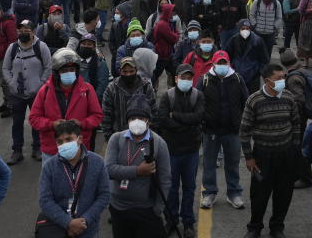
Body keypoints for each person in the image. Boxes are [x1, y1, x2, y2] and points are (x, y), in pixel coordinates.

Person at [240, 63, 301, 238]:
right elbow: (244, 131)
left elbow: (296, 123)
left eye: (284, 77)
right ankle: (254, 227)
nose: (283, 81)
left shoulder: (289, 97)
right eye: (278, 78)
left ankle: (277, 227)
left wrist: (295, 148)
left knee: (284, 193)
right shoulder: (254, 100)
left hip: (286, 153)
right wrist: (249, 158)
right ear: (267, 81)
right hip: (263, 155)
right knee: (259, 194)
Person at [104, 93, 171, 237]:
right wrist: (138, 171)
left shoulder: (159, 143)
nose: (136, 121)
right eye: (133, 118)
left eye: (141, 118)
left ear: (148, 121)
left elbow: (165, 179)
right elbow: (108, 170)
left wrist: (158, 209)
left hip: (146, 210)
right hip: (119, 208)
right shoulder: (116, 139)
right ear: (127, 120)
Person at [38, 119, 111, 238]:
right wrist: (68, 222)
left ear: (80, 139)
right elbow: (45, 200)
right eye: (59, 142)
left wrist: (85, 220)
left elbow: (104, 195)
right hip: (59, 229)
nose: (64, 144)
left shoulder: (97, 162)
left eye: (68, 139)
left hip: (89, 230)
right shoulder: (49, 167)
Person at [156, 64, 205, 238]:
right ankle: (171, 220)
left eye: (189, 78)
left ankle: (188, 222)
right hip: (172, 151)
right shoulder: (167, 96)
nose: (186, 80)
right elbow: (162, 119)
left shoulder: (197, 95)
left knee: (190, 188)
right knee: (171, 188)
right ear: (176, 78)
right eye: (183, 77)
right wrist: (187, 125)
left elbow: (199, 117)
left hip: (191, 150)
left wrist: (175, 115)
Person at [200, 49, 249, 211]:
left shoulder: (237, 78)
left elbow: (245, 101)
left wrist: (241, 122)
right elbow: (198, 101)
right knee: (209, 163)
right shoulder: (205, 79)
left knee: (233, 163)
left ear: (229, 63)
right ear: (213, 64)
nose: (222, 66)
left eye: (224, 63)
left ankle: (234, 193)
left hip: (232, 130)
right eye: (219, 63)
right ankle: (209, 192)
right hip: (211, 130)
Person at [2, 19, 52, 163]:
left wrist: (41, 84)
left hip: (37, 93)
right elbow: (5, 68)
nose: (23, 32)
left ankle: (37, 148)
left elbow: (49, 67)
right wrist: (11, 83)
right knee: (17, 122)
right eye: (21, 30)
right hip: (16, 93)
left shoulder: (41, 47)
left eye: (27, 30)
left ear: (33, 31)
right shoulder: (12, 48)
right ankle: (17, 151)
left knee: (36, 122)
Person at [100, 55, 156, 138]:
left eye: (131, 71)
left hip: (142, 135)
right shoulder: (112, 88)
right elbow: (106, 115)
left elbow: (153, 112)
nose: (128, 74)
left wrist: (151, 133)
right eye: (125, 72)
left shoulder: (146, 87)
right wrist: (108, 136)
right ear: (120, 71)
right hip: (119, 135)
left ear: (136, 70)